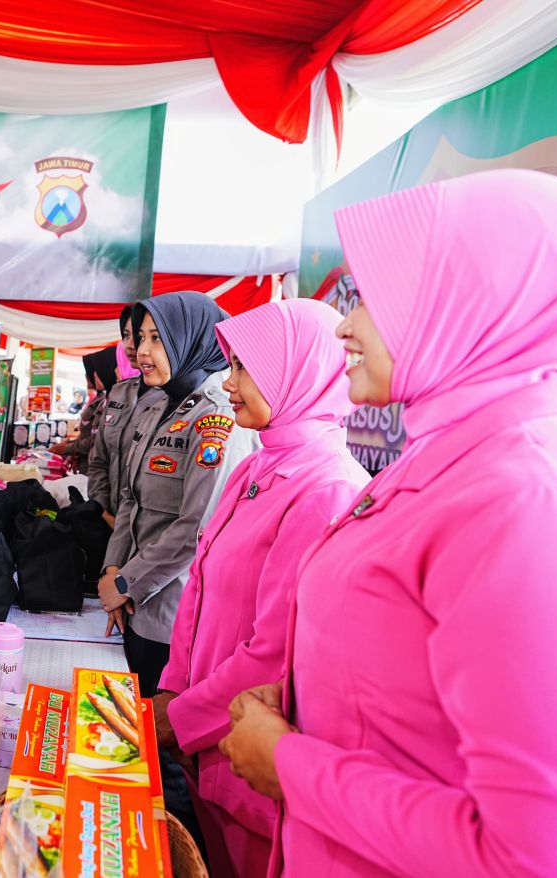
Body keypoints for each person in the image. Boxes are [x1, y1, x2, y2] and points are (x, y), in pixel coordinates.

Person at [220, 170, 557, 876]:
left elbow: (546, 857)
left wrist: (289, 764)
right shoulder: (454, 460)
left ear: (469, 300)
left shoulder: (535, 499)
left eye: (373, 296)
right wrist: (295, 705)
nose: (345, 325)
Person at [153, 299, 368, 878]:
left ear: (297, 372)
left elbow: (275, 652)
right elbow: (198, 590)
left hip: (250, 761)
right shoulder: (254, 468)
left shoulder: (325, 488)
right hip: (206, 743)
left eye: (245, 368)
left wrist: (179, 718)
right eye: (232, 366)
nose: (228, 383)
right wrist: (172, 690)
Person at [97, 292, 260, 694]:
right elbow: (130, 498)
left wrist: (126, 584)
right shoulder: (159, 405)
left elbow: (198, 528)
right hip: (133, 603)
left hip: (175, 614)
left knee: (159, 725)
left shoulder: (217, 415)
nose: (142, 350)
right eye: (140, 337)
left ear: (190, 339)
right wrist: (113, 570)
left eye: (157, 338)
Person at [87, 307, 164, 524]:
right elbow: (99, 461)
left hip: (146, 529)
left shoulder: (174, 398)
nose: (130, 345)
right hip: (108, 520)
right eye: (126, 335)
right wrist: (102, 511)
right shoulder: (119, 392)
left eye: (140, 337)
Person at [50, 348, 117, 473]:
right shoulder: (104, 399)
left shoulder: (114, 402)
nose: (92, 377)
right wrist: (73, 449)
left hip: (99, 470)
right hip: (89, 465)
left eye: (97, 372)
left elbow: (97, 439)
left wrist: (68, 448)